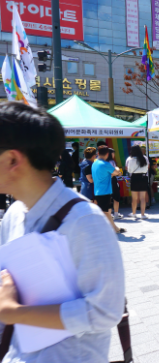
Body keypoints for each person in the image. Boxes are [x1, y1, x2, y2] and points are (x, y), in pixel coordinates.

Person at [0, 102, 125, 362]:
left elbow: (106, 311)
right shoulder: (12, 215)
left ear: (12, 159)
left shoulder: (85, 221)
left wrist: (16, 313)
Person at [92, 146, 125, 234]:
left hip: (97, 190)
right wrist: (117, 168)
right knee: (105, 212)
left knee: (107, 210)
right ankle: (112, 229)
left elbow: (105, 176)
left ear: (98, 153)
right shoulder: (105, 164)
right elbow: (116, 172)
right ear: (107, 154)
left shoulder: (94, 163)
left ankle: (114, 228)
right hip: (104, 191)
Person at [126, 145, 149, 219]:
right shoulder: (144, 158)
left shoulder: (130, 159)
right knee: (142, 198)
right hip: (143, 177)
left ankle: (134, 213)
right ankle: (143, 214)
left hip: (135, 178)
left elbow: (129, 170)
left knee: (134, 198)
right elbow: (147, 168)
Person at [106, 148, 123, 220]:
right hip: (112, 180)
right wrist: (118, 172)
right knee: (116, 197)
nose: (114, 155)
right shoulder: (112, 161)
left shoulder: (102, 162)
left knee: (107, 198)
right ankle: (116, 213)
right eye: (113, 153)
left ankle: (109, 214)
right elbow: (114, 173)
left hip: (105, 181)